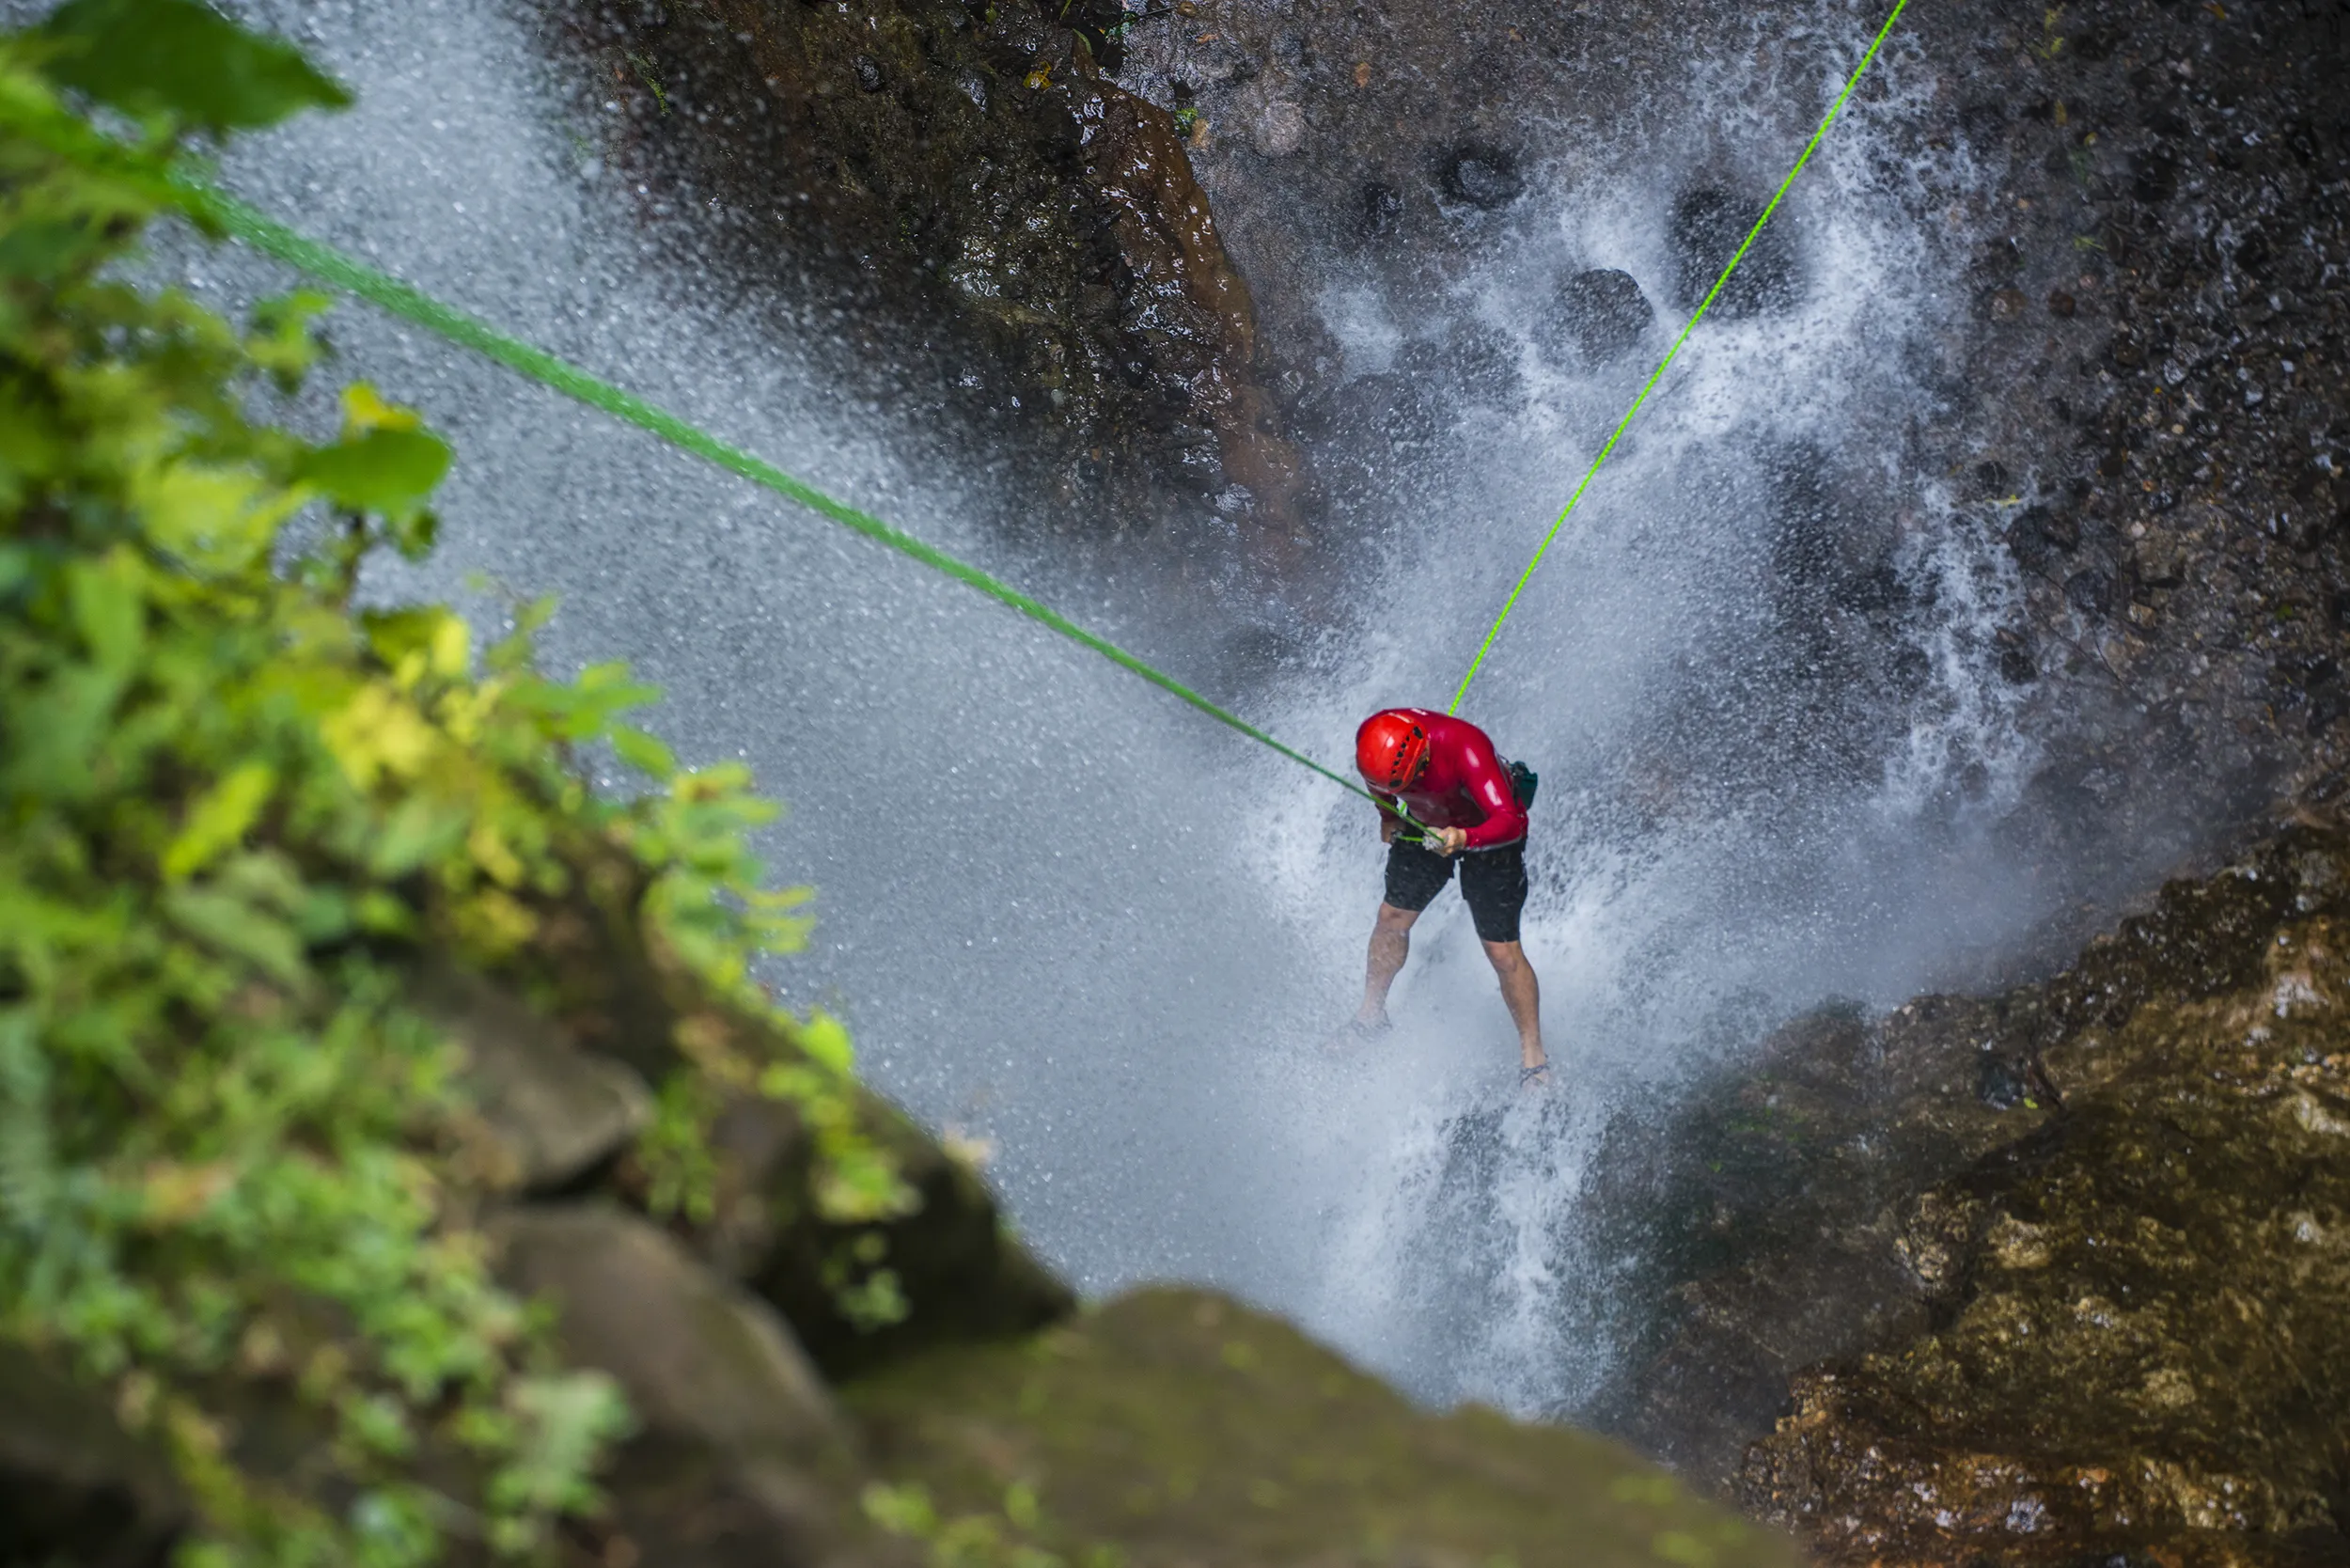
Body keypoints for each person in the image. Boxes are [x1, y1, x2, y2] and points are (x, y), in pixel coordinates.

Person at [1351, 707, 1548, 1089]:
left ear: (1423, 753)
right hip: (1425, 826)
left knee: (1502, 953)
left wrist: (1463, 838)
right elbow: (1378, 785)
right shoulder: (1373, 743)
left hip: (1490, 836)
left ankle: (1534, 1058)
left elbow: (1511, 820)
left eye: (1410, 779)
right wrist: (1387, 815)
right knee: (1391, 918)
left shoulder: (1467, 748)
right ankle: (1370, 1017)